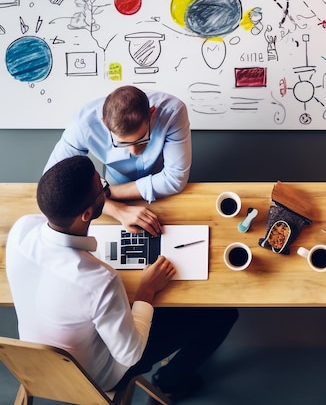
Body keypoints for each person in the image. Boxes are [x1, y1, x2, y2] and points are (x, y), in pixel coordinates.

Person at [6, 156, 238, 401]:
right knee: (222, 314)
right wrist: (146, 292)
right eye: (102, 189)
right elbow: (130, 354)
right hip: (95, 377)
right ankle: (169, 382)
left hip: (32, 366)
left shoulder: (21, 230)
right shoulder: (99, 280)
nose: (106, 190)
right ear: (86, 214)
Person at [44, 85, 192, 235]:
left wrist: (104, 193)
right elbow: (52, 181)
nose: (134, 151)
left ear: (151, 114)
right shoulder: (83, 124)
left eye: (141, 139)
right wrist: (117, 210)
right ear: (104, 123)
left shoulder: (173, 111)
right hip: (112, 192)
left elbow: (175, 178)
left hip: (163, 191)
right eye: (122, 143)